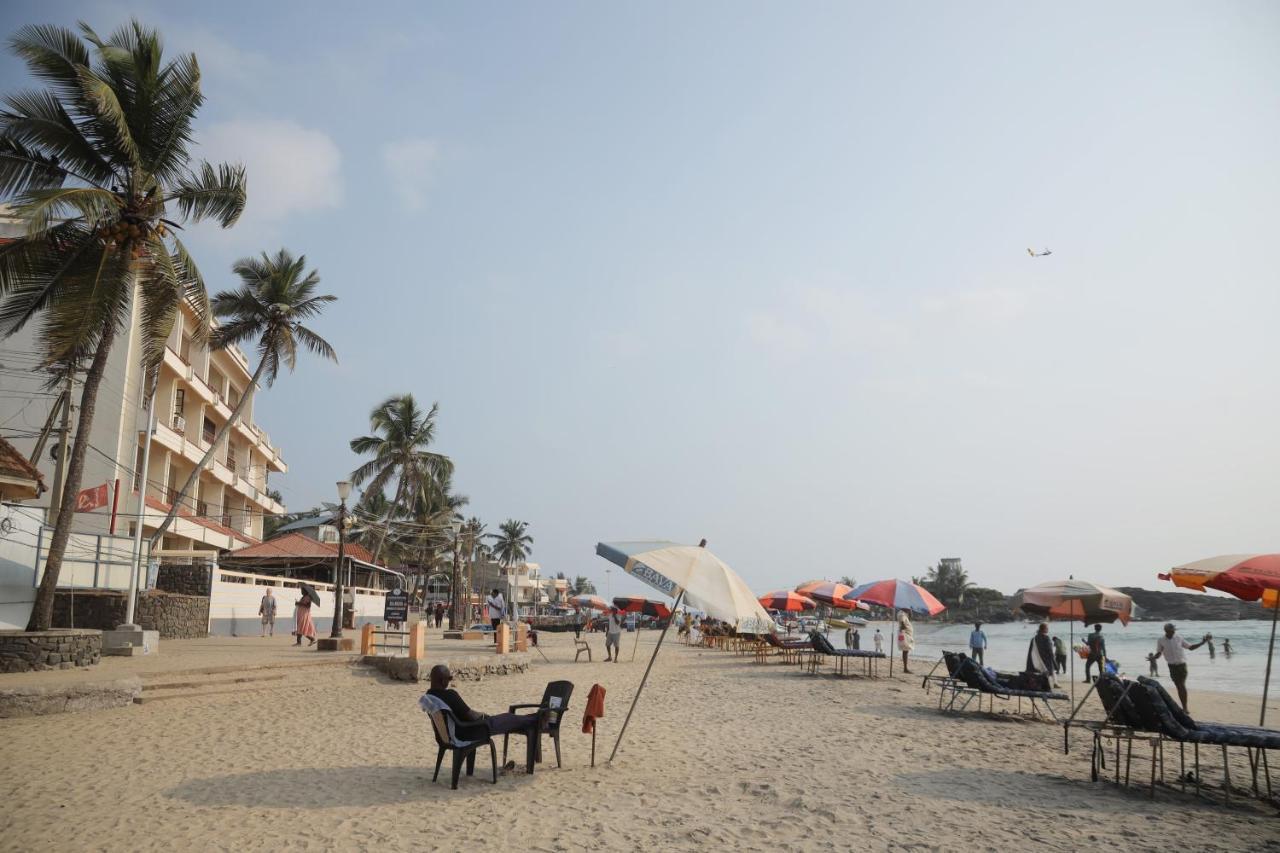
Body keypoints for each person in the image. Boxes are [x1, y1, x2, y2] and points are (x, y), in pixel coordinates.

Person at [423, 664, 540, 769]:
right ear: (443, 680)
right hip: (469, 731)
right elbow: (471, 715)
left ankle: (534, 718)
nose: (449, 682)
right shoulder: (450, 695)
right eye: (449, 679)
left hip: (448, 736)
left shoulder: (429, 696)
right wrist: (484, 716)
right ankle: (536, 718)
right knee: (509, 717)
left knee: (510, 719)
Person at [1152, 623, 1209, 712]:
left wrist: (1202, 642)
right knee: (1178, 686)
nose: (1174, 631)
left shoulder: (1179, 638)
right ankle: (1184, 707)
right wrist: (1154, 657)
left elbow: (1190, 647)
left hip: (1182, 666)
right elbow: (1159, 652)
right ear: (1166, 631)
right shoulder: (1161, 640)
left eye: (1174, 630)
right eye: (1172, 630)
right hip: (1171, 667)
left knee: (1181, 685)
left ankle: (1185, 708)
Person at [1025, 622, 1057, 689]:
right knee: (1048, 673)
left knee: (1040, 673)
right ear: (1044, 629)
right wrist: (1054, 661)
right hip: (1046, 661)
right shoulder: (1046, 638)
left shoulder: (1033, 639)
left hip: (1036, 661)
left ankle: (1046, 684)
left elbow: (1030, 652)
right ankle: (1051, 684)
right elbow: (1050, 651)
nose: (1048, 629)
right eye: (1047, 628)